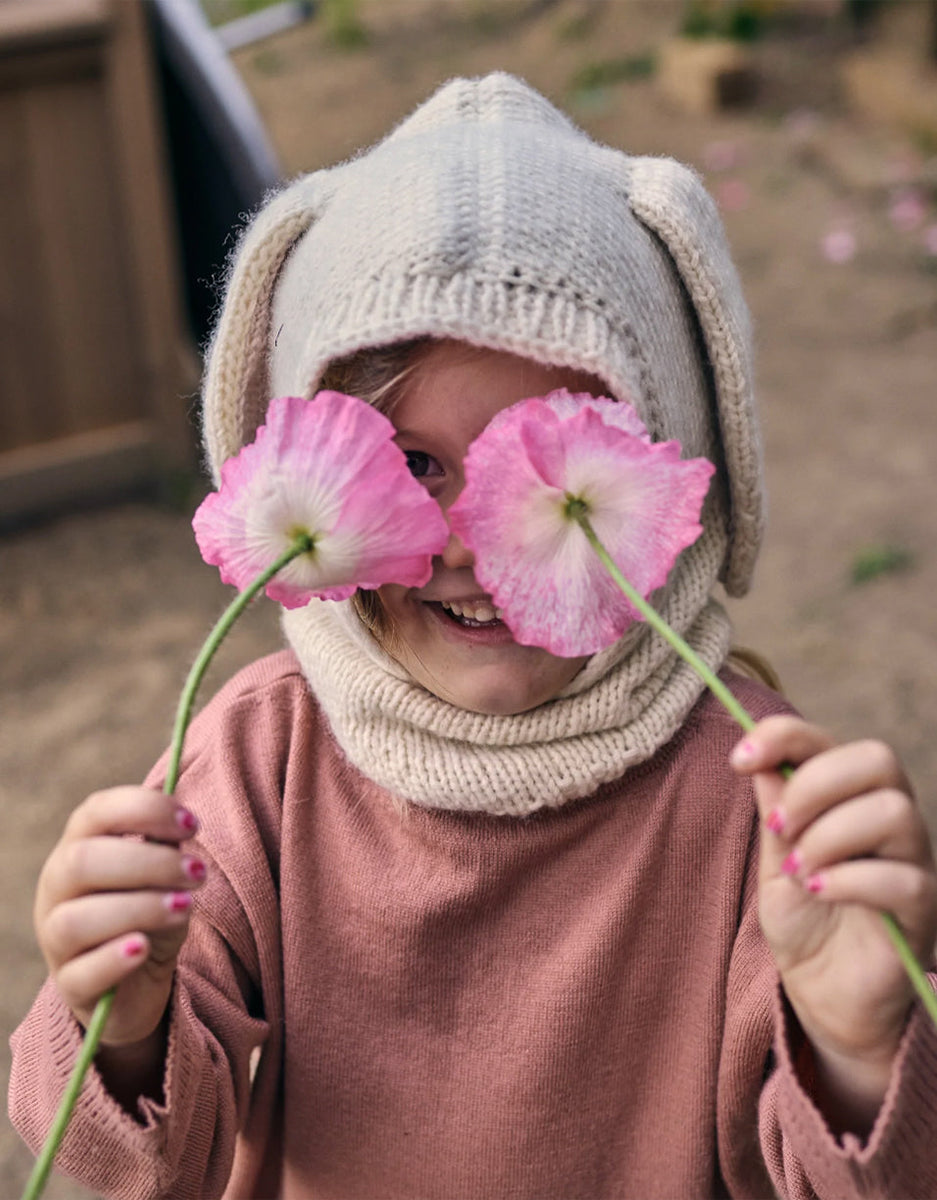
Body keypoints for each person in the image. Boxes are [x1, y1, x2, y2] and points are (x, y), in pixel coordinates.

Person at [9, 73, 937, 1200]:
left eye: (547, 464)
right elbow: (145, 1168)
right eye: (410, 466)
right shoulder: (255, 761)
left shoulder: (758, 800)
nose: (470, 545)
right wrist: (122, 1020)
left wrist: (857, 1049)